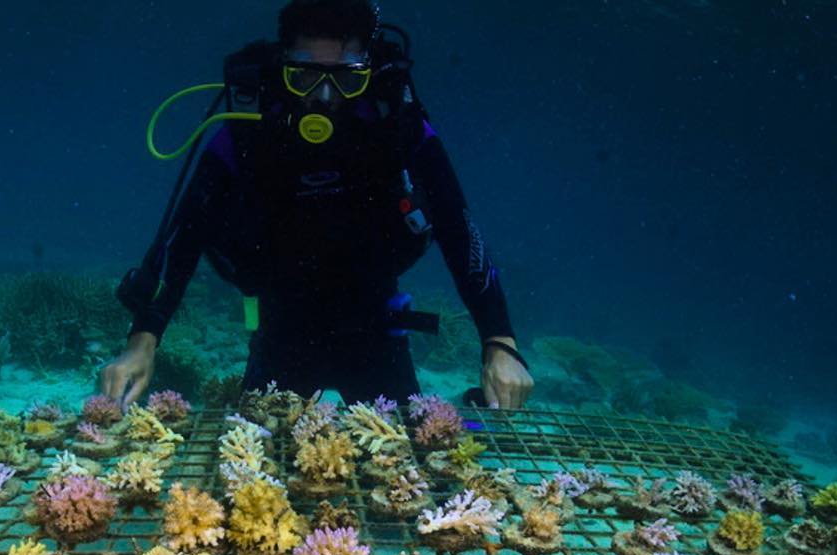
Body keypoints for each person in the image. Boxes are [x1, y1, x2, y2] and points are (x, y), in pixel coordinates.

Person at [100, 0, 533, 409]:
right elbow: (184, 236)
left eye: (347, 78)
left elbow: (459, 231)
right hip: (280, 330)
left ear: (370, 70)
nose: (325, 97)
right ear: (282, 65)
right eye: (305, 77)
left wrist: (500, 343)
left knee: (411, 457)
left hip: (376, 329)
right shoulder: (247, 133)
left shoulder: (400, 129)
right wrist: (142, 342)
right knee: (252, 457)